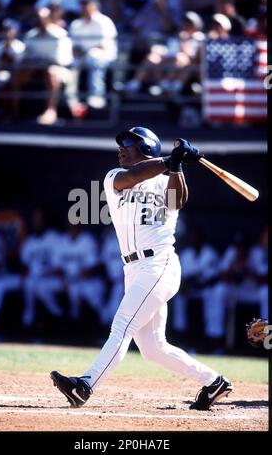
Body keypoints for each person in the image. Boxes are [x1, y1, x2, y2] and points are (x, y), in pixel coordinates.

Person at [51, 127, 233, 411]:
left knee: (122, 324)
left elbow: (178, 201)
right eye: (121, 143)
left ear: (146, 147)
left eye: (128, 143)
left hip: (159, 264)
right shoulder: (115, 177)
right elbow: (133, 176)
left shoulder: (166, 179)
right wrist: (171, 160)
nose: (121, 148)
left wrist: (176, 166)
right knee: (153, 348)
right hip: (133, 269)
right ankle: (214, 382)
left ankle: (84, 386)